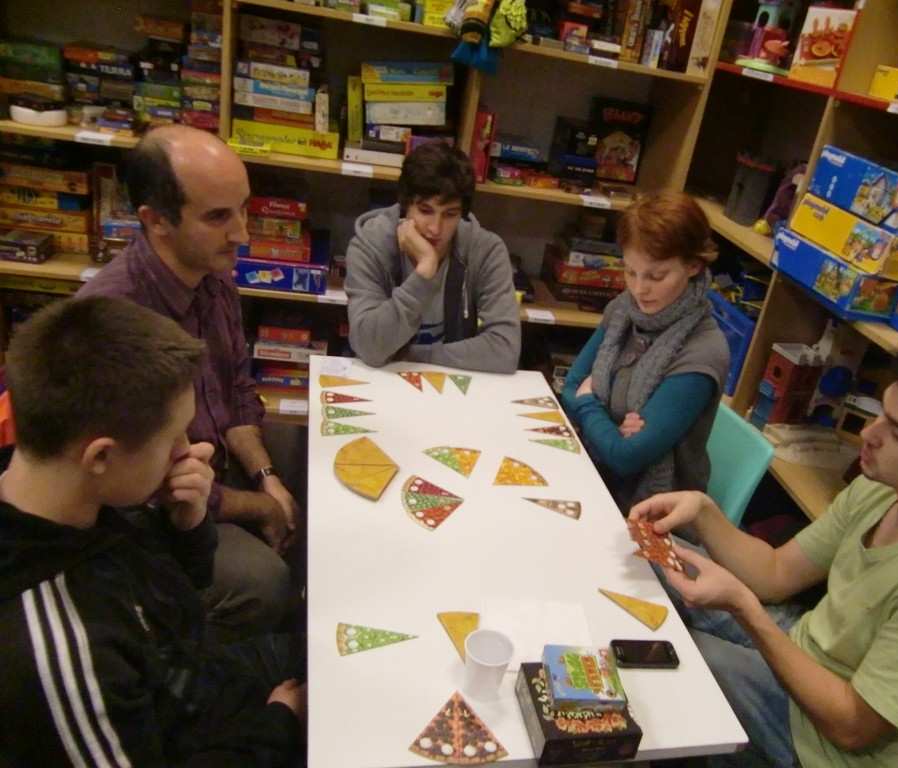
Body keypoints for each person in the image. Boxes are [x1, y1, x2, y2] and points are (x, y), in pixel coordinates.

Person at [631, 339, 898, 768]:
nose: (867, 435)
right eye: (881, 414)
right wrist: (705, 513)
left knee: (659, 659)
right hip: (808, 650)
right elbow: (777, 573)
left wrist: (745, 608)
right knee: (635, 553)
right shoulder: (885, 486)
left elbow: (852, 727)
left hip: (825, 746)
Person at [0, 296, 306, 767]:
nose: (192, 450)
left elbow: (172, 607)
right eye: (175, 437)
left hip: (204, 684)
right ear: (100, 456)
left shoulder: (84, 500)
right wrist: (278, 726)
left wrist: (187, 527)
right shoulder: (64, 655)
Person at [76, 124, 298, 644]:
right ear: (157, 222)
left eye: (244, 208)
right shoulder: (112, 322)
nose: (242, 232)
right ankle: (215, 664)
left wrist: (267, 476)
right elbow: (146, 489)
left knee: (311, 459)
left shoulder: (213, 271)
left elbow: (237, 392)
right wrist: (262, 505)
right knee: (264, 582)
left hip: (209, 470)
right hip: (156, 517)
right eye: (218, 216)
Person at [561, 190, 729, 512]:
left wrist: (588, 406)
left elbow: (626, 458)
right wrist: (612, 430)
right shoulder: (623, 310)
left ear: (693, 265)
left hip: (654, 511)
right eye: (630, 271)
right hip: (597, 476)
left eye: (656, 276)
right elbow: (570, 385)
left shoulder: (703, 352)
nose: (638, 289)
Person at [344, 141, 521, 373]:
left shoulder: (486, 250)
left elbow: (505, 351)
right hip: (382, 381)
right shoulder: (369, 246)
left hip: (452, 381)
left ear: (462, 214)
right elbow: (370, 348)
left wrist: (414, 356)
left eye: (450, 214)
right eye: (425, 211)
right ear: (406, 205)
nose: (435, 229)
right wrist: (425, 270)